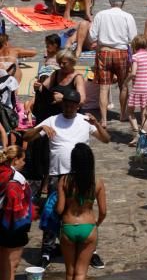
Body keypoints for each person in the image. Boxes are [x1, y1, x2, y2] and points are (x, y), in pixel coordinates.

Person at [23, 90, 110, 270]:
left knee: (85, 210)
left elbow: (106, 140)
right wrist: (40, 128)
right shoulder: (52, 120)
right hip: (57, 174)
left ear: (78, 106)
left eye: (73, 104)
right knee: (53, 212)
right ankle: (47, 250)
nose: (69, 107)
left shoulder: (85, 121)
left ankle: (90, 250)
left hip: (82, 175)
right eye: (66, 104)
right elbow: (26, 137)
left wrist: (98, 125)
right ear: (63, 104)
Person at [56, 143, 107, 280]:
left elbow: (59, 209)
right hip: (88, 227)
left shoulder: (64, 180)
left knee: (70, 272)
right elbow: (103, 211)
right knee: (80, 273)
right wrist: (97, 224)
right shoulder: (97, 182)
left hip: (68, 227)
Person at [89, 0, 138, 128]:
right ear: (123, 2)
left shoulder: (100, 15)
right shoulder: (127, 16)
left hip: (104, 52)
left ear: (110, 0)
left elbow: (92, 36)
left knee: (104, 88)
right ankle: (123, 114)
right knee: (123, 85)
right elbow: (133, 39)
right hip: (121, 53)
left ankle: (104, 119)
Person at [0, 146, 32, 280]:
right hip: (12, 226)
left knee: (3, 265)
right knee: (11, 266)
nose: (24, 163)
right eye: (23, 159)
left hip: (2, 223)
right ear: (15, 160)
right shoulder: (16, 179)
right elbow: (15, 206)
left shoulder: (2, 172)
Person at [127, 35, 147, 146]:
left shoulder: (136, 57)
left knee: (129, 112)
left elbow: (133, 73)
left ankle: (136, 133)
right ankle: (143, 137)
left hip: (137, 88)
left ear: (135, 46)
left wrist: (126, 81)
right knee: (144, 114)